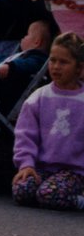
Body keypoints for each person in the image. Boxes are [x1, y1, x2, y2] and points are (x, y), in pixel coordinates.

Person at [12, 31, 84, 210]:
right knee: (22, 191)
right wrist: (26, 165)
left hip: (74, 172)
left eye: (63, 62)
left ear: (79, 68)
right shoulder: (39, 97)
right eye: (52, 60)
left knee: (48, 194)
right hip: (42, 169)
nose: (56, 67)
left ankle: (79, 199)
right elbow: (25, 135)